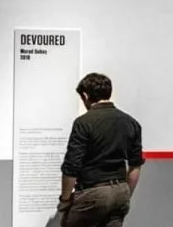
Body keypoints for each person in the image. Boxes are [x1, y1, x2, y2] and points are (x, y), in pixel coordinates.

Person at [57, 73, 144, 227]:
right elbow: (135, 166)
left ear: (85, 95)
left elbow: (71, 166)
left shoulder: (83, 122)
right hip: (121, 191)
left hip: (92, 192)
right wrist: (125, 193)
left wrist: (65, 199)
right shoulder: (131, 122)